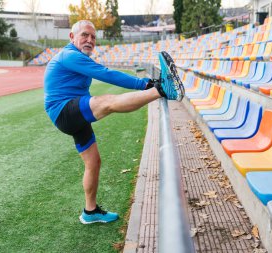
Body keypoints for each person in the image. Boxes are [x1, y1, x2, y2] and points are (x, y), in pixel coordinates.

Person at [44, 20, 181, 224]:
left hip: (72, 111)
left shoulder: (76, 56)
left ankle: (90, 212)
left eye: (93, 37)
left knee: (94, 163)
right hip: (63, 110)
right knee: (107, 102)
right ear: (72, 37)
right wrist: (145, 84)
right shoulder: (69, 55)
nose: (90, 40)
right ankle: (162, 90)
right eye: (84, 35)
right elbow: (106, 74)